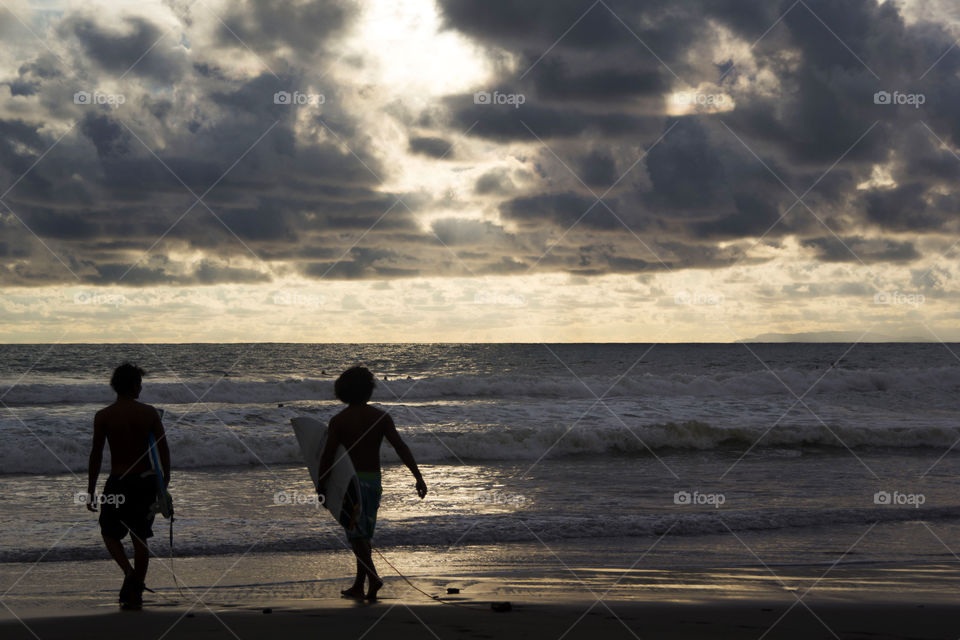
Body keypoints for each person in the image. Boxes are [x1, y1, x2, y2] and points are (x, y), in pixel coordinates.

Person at [318, 366, 427, 601]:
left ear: (343, 391)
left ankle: (374, 578)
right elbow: (401, 447)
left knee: (356, 536)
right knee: (363, 534)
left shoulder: (338, 420)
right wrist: (417, 476)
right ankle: (359, 585)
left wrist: (321, 485)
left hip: (351, 484)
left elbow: (327, 456)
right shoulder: (381, 417)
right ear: (369, 391)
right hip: (373, 482)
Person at [85, 362, 170, 610]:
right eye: (140, 383)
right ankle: (136, 589)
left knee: (109, 533)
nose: (141, 388)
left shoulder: (103, 416)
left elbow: (96, 455)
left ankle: (129, 574)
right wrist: (165, 480)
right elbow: (163, 449)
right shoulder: (149, 413)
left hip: (117, 482)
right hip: (144, 482)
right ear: (134, 385)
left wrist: (90, 489)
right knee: (140, 537)